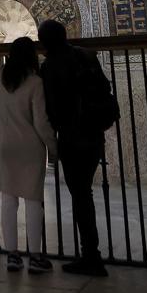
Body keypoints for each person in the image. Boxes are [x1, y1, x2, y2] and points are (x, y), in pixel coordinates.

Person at [0, 37, 57, 273]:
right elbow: (41, 123)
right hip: (30, 148)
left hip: (4, 147)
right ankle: (36, 258)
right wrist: (54, 149)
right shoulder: (35, 82)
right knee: (33, 201)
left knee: (8, 200)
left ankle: (12, 256)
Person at [39, 19, 114, 277]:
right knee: (85, 195)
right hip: (95, 134)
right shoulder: (86, 55)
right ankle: (91, 254)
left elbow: (50, 109)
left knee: (81, 195)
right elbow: (105, 88)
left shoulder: (50, 67)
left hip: (72, 138)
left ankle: (91, 256)